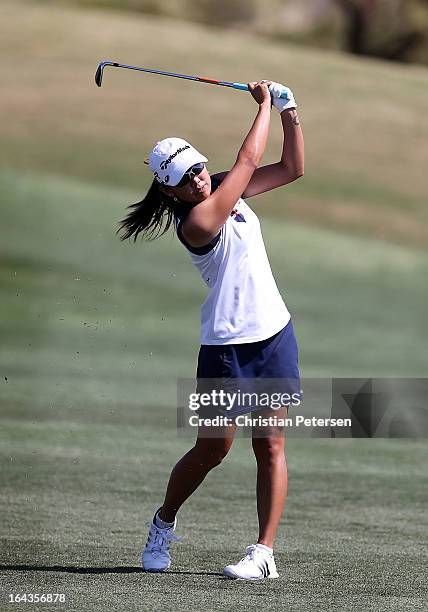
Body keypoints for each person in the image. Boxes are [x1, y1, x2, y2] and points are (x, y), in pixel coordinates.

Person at [118, 80, 304, 580]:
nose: (199, 179)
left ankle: (264, 554)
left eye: (199, 168)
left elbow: (291, 169)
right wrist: (264, 104)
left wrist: (290, 111)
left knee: (270, 444)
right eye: (186, 177)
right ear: (168, 189)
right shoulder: (197, 220)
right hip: (226, 348)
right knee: (213, 448)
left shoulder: (220, 186)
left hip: (274, 335)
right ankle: (164, 522)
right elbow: (247, 163)